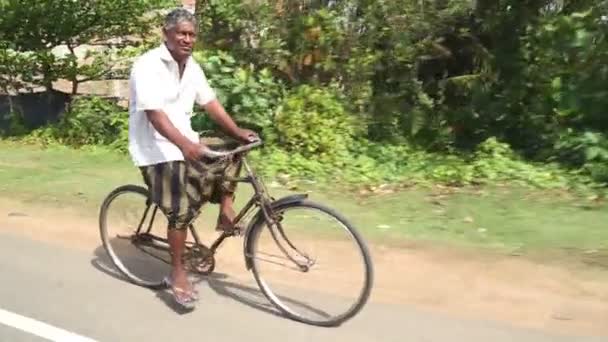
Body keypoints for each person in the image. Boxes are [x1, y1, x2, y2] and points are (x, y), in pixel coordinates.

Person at [127, 8, 258, 309]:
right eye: (182, 33)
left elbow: (209, 102)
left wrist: (237, 131)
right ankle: (176, 273)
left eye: (192, 35)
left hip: (186, 140)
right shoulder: (147, 65)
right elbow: (154, 115)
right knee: (181, 209)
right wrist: (185, 145)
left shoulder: (192, 65)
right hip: (155, 149)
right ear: (167, 34)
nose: (188, 39)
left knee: (229, 150)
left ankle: (225, 209)